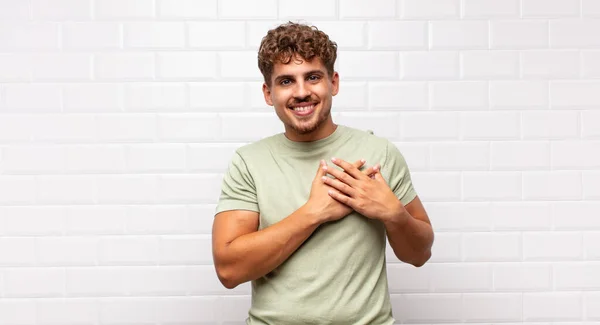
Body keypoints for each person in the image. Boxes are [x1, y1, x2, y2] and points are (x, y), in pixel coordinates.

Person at [212, 22, 434, 325]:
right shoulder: (249, 162)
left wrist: (393, 213)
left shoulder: (378, 154)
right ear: (268, 92)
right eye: (286, 81)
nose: (301, 92)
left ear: (334, 83)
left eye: (313, 77)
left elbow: (419, 254)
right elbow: (229, 270)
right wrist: (313, 213)